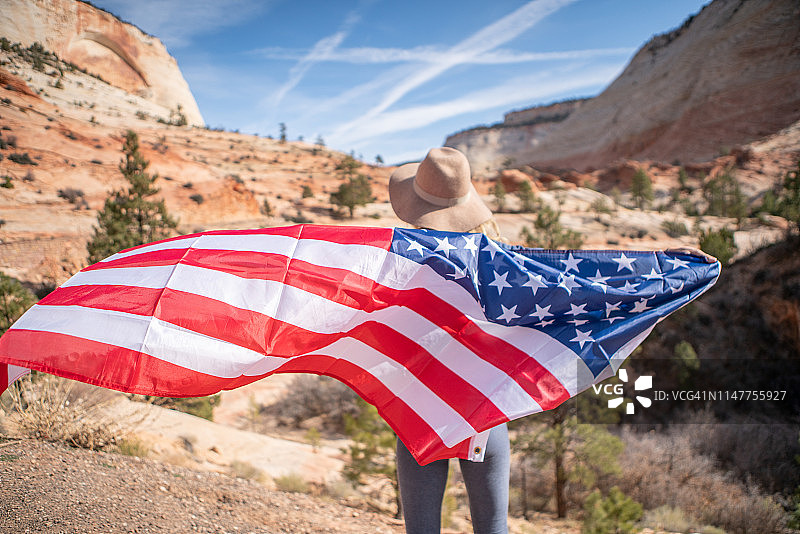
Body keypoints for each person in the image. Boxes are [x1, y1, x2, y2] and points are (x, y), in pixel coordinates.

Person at [389, 146, 509, 534]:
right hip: (483, 407)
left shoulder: (400, 262)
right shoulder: (500, 264)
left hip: (419, 408)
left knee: (421, 529)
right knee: (493, 527)